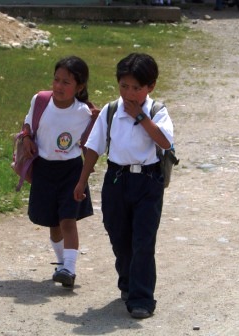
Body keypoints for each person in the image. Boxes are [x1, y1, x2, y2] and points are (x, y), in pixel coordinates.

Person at [74, 53, 174, 318]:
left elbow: (165, 142)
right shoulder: (110, 111)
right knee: (118, 234)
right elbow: (94, 148)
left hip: (148, 181)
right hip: (117, 180)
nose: (129, 93)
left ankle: (142, 298)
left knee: (143, 239)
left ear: (150, 86)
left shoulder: (156, 111)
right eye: (124, 86)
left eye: (136, 88)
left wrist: (141, 117)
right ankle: (128, 282)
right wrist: (82, 181)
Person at [20, 56, 96, 289]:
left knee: (68, 221)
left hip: (70, 170)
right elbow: (27, 126)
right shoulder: (40, 101)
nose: (59, 86)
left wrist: (82, 180)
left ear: (79, 87)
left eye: (66, 82)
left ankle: (70, 269)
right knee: (53, 224)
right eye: (56, 80)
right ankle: (63, 263)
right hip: (44, 169)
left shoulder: (85, 113)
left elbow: (92, 143)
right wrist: (26, 140)